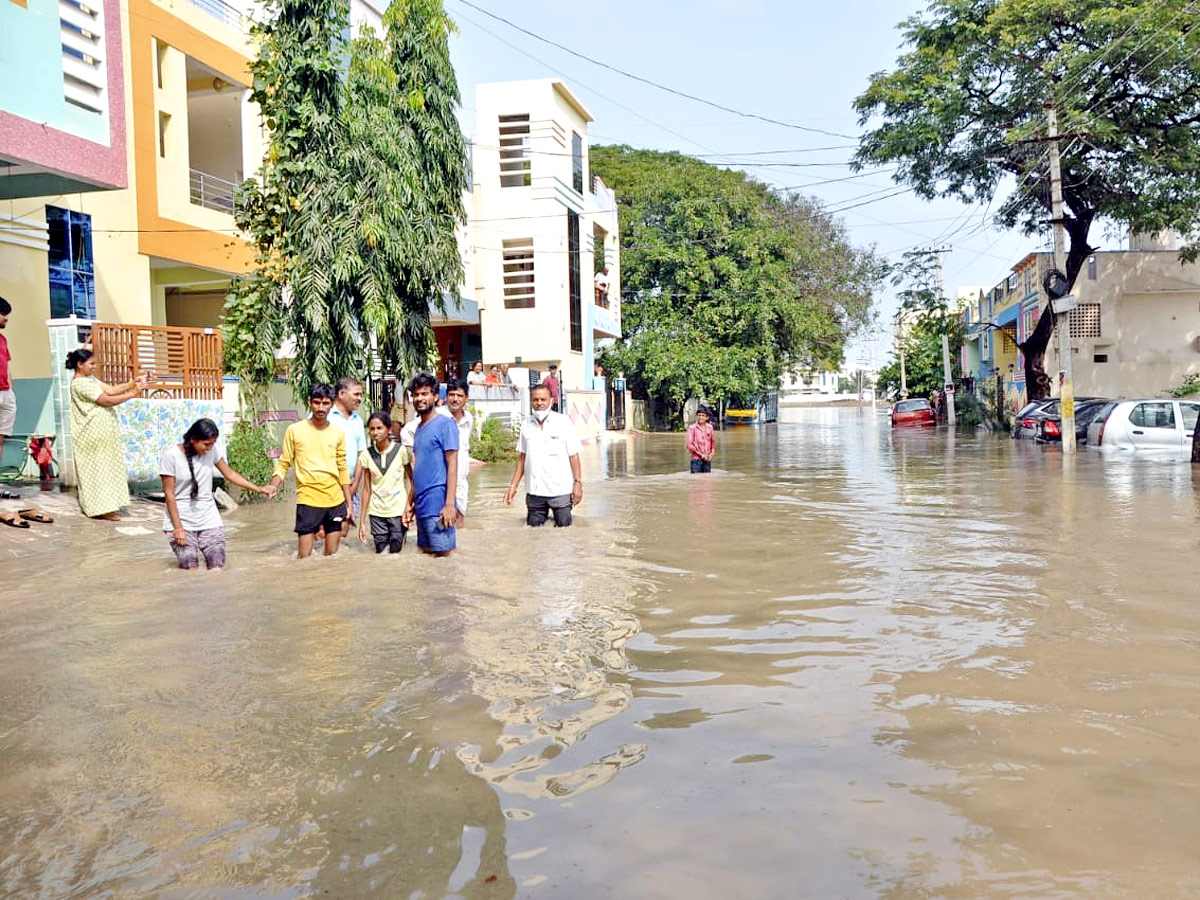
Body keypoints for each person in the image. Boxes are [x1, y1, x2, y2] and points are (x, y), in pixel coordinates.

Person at [160, 418, 275, 571]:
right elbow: (169, 495)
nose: (209, 448)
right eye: (206, 444)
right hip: (181, 520)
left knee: (217, 567)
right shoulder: (171, 456)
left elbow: (230, 475)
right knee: (190, 567)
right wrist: (178, 529)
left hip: (209, 519)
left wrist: (258, 488)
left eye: (212, 444)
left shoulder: (212, 451)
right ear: (193, 439)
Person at [269, 383, 353, 558]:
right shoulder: (294, 430)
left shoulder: (338, 432)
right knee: (304, 558)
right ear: (309, 402)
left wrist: (349, 503)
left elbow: (342, 468)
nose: (321, 408)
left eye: (325, 403)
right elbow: (284, 462)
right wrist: (274, 485)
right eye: (316, 403)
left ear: (331, 404)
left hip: (335, 500)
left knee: (332, 557)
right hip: (308, 500)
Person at [66, 348, 149, 520]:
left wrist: (132, 383)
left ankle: (109, 505)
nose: (94, 367)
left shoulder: (89, 379)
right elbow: (106, 400)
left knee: (108, 468)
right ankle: (100, 509)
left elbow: (110, 390)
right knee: (97, 470)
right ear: (80, 365)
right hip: (91, 434)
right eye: (91, 364)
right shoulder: (79, 383)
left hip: (102, 433)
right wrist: (134, 393)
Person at [504, 383, 582, 527]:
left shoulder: (563, 422)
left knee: (565, 532)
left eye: (543, 399)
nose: (539, 403)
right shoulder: (526, 424)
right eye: (535, 400)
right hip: (535, 492)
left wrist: (577, 483)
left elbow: (574, 456)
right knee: (534, 534)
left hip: (560, 491)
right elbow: (522, 458)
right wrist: (513, 486)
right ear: (531, 401)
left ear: (551, 400)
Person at [408, 372, 459, 556]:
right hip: (421, 504)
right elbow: (420, 468)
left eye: (424, 393)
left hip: (438, 502)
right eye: (416, 394)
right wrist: (410, 503)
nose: (419, 398)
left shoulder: (446, 424)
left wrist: (450, 504)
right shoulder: (419, 428)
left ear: (435, 396)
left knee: (444, 557)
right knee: (427, 556)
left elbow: (453, 465)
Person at [357, 410, 414, 554]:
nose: (375, 432)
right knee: (381, 554)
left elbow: (413, 482)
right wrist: (362, 521)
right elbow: (366, 489)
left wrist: (408, 506)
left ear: (389, 430)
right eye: (372, 429)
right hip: (376, 513)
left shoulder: (401, 451)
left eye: (379, 428)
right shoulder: (366, 455)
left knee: (396, 553)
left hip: (398, 512)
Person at [327, 376, 367, 537]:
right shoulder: (325, 415)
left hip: (351, 483)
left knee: (344, 528)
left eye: (360, 395)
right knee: (323, 530)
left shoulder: (358, 420)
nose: (359, 399)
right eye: (356, 394)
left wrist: (355, 484)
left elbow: (361, 454)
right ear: (342, 394)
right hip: (328, 482)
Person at [438, 378, 473, 522]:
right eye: (452, 395)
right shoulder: (437, 416)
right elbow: (408, 432)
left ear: (466, 398)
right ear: (446, 397)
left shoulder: (468, 418)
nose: (455, 399)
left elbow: (464, 447)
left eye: (459, 396)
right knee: (442, 524)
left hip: (461, 482)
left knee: (459, 523)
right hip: (441, 482)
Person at [0, 296, 13, 460]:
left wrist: (10, 389)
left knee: (1, 438)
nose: (6, 318)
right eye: (3, 314)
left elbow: (7, 365)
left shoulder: (3, 340)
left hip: (5, 393)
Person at [686, 406, 716, 474]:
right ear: (696, 416)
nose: (701, 417)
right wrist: (701, 455)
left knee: (707, 480)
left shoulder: (710, 427)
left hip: (707, 459)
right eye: (699, 415)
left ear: (707, 417)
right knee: (696, 480)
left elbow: (712, 442)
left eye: (703, 415)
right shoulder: (692, 428)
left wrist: (712, 453)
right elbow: (689, 445)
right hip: (696, 460)